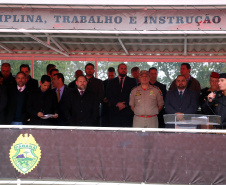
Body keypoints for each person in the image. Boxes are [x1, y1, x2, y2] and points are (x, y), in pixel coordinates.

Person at [107, 63, 137, 127]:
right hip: (115, 112)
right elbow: (109, 95)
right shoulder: (111, 81)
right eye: (121, 68)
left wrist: (125, 104)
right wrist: (117, 103)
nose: (123, 70)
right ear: (118, 70)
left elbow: (134, 95)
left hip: (127, 112)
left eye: (125, 69)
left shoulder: (132, 81)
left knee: (127, 134)